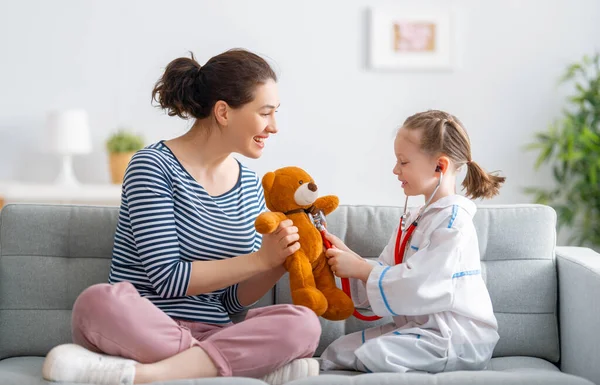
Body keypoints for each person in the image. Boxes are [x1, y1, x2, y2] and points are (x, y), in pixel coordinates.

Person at [42, 49, 322, 385]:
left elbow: (230, 302)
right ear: (223, 112)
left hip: (213, 329)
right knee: (97, 302)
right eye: (265, 113)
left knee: (302, 323)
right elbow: (167, 277)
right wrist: (261, 259)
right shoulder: (152, 166)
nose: (274, 127)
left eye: (276, 113)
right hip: (144, 325)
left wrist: (280, 259)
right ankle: (225, 363)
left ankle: (148, 374)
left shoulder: (250, 184)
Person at [321, 109, 505, 373]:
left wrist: (360, 268)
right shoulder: (415, 218)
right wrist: (344, 253)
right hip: (421, 331)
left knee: (377, 353)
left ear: (439, 166)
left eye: (403, 162)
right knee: (338, 349)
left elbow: (422, 283)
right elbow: (387, 270)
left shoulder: (454, 222)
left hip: (455, 338)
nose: (395, 170)